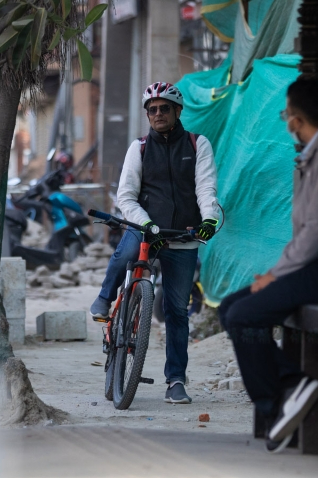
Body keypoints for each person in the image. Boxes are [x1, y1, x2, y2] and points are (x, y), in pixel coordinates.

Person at [218, 77, 318, 452]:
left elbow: (316, 232)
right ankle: (287, 392)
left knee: (243, 316)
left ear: (295, 118)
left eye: (286, 113)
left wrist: (275, 276)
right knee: (231, 309)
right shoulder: (316, 154)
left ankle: (283, 397)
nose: (285, 120)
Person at [90, 81, 222, 405]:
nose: (158, 113)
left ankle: (176, 380)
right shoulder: (139, 148)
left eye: (164, 108)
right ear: (147, 115)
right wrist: (147, 224)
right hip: (146, 227)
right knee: (125, 255)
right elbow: (126, 196)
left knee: (177, 310)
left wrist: (208, 221)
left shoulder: (197, 144)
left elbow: (206, 189)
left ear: (178, 111)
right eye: (152, 110)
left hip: (182, 236)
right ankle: (106, 298)